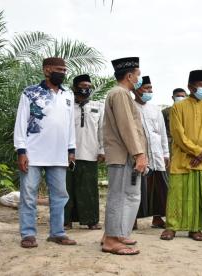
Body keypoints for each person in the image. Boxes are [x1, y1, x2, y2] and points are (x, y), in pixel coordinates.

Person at [13, 57, 77, 248]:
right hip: (33, 153)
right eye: (59, 69)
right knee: (28, 194)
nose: (63, 73)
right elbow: (21, 122)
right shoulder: (30, 92)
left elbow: (70, 125)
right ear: (47, 70)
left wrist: (71, 149)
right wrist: (21, 151)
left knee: (60, 194)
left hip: (59, 154)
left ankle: (57, 233)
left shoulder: (68, 95)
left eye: (65, 70)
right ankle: (28, 234)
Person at [160, 69, 202, 242]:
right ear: (190, 86)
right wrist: (196, 151)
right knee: (177, 194)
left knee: (200, 195)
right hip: (183, 158)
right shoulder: (177, 108)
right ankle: (171, 227)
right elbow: (177, 133)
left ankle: (196, 228)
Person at [101, 57, 148, 255]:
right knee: (119, 197)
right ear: (129, 76)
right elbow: (127, 127)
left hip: (124, 155)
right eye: (137, 75)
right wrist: (139, 154)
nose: (139, 78)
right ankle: (111, 240)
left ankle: (113, 234)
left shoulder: (121, 94)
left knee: (124, 195)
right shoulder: (120, 94)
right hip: (123, 155)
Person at [64, 74, 104, 230]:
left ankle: (91, 220)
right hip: (67, 154)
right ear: (74, 88)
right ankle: (65, 220)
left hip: (90, 153)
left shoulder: (97, 106)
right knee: (66, 188)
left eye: (89, 87)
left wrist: (102, 150)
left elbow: (102, 129)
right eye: (83, 86)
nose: (86, 89)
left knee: (89, 189)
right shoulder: (66, 106)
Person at [134, 76, 170, 229]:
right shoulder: (130, 106)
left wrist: (165, 153)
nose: (149, 91)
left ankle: (157, 218)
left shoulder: (155, 109)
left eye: (150, 88)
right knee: (137, 188)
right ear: (136, 89)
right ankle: (132, 219)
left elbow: (161, 132)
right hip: (139, 154)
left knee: (159, 189)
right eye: (146, 88)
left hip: (156, 154)